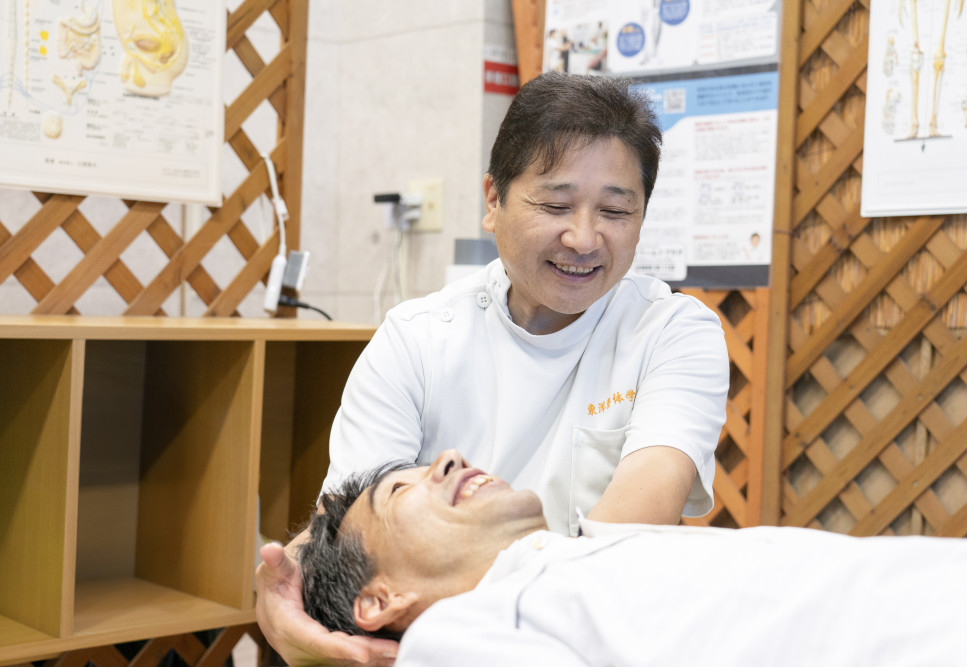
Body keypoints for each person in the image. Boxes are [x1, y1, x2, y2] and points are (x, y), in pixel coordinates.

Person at [256, 72, 730, 665]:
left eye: (615, 210)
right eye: (555, 204)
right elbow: (355, 525)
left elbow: (630, 527)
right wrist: (287, 590)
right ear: (493, 200)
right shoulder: (417, 339)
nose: (584, 238)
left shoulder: (672, 333)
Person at [297, 450, 967, 666]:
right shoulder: (455, 634)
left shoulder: (588, 555)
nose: (450, 458)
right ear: (380, 600)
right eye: (402, 490)